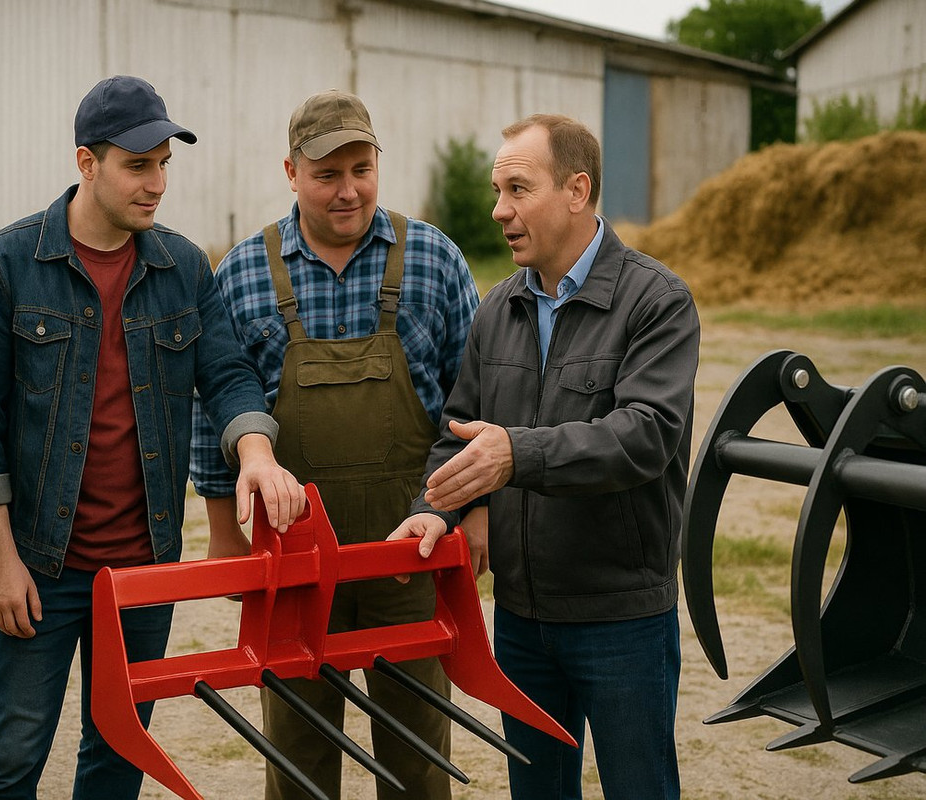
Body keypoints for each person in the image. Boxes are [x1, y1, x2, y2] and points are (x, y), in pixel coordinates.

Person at [0, 75, 304, 800]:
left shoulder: (184, 268)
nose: (157, 183)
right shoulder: (5, 265)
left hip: (144, 570)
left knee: (119, 755)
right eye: (138, 164)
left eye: (165, 163)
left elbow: (229, 373)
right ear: (87, 162)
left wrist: (257, 453)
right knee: (12, 758)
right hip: (41, 566)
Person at [390, 114, 700, 800]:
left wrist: (516, 455)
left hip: (621, 618)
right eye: (497, 191)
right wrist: (433, 510)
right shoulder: (497, 307)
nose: (500, 210)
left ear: (577, 191)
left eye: (517, 189)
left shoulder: (656, 301)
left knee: (639, 788)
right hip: (523, 620)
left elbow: (645, 434)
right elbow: (459, 433)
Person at [190, 89, 481, 800]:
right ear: (291, 172)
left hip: (410, 552)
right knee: (297, 759)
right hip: (292, 562)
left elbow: (474, 406)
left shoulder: (434, 259)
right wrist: (225, 534)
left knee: (418, 759)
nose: (347, 190)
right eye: (326, 175)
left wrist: (473, 517)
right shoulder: (244, 271)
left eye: (361, 168)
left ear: (377, 162)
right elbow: (213, 408)